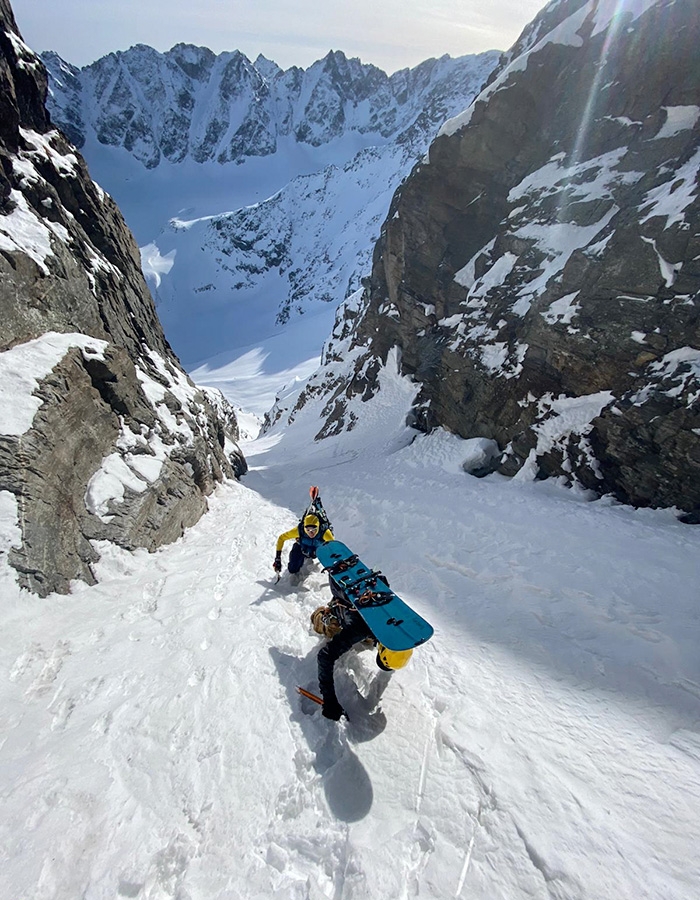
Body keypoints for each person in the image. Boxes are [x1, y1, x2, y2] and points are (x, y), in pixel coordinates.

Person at [311, 577, 412, 720]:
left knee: (368, 637)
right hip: (343, 610)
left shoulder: (399, 627)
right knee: (326, 628)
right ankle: (323, 614)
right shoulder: (359, 630)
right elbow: (325, 656)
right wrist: (329, 698)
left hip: (361, 610)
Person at [273, 513, 334, 577]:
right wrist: (278, 558)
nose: (311, 533)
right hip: (302, 548)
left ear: (318, 527)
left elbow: (333, 547)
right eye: (308, 530)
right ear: (304, 528)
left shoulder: (325, 532)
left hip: (318, 551)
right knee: (292, 569)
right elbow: (281, 538)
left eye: (314, 530)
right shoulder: (299, 531)